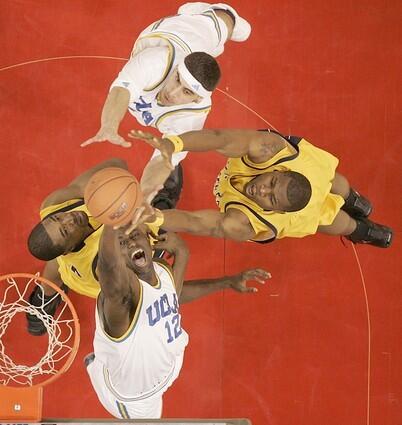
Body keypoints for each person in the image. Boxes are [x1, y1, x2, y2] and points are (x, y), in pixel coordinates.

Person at [26, 158, 269, 335]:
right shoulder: (111, 262)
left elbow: (117, 164)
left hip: (71, 266)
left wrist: (114, 189)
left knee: (56, 263)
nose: (68, 218)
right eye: (67, 229)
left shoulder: (56, 204)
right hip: (104, 276)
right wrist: (225, 281)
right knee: (151, 230)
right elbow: (164, 295)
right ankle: (161, 201)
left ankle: (44, 298)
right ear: (69, 245)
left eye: (59, 219)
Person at [85, 225, 269, 419]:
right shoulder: (121, 296)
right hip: (135, 398)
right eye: (122, 243)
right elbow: (110, 268)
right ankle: (96, 368)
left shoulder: (161, 270)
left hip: (167, 371)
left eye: (135, 235)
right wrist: (109, 220)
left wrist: (225, 280)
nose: (131, 242)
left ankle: (100, 362)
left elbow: (173, 293)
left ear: (150, 242)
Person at [81, 2, 251, 210]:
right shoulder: (156, 61)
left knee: (225, 32)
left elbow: (164, 157)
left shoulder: (193, 114)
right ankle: (205, 14)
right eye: (177, 79)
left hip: (195, 45)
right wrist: (109, 125)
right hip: (179, 33)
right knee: (219, 25)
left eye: (187, 92)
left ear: (197, 99)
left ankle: (213, 17)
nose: (173, 92)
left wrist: (143, 196)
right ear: (177, 68)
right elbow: (121, 91)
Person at [127, 128, 393, 248]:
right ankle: (357, 202)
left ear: (276, 211)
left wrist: (156, 217)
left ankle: (360, 229)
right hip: (308, 169)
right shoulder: (268, 149)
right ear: (279, 170)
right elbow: (220, 139)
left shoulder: (242, 222)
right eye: (271, 183)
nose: (262, 191)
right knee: (332, 180)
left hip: (302, 210)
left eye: (271, 199)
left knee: (334, 219)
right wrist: (174, 144)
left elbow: (196, 221)